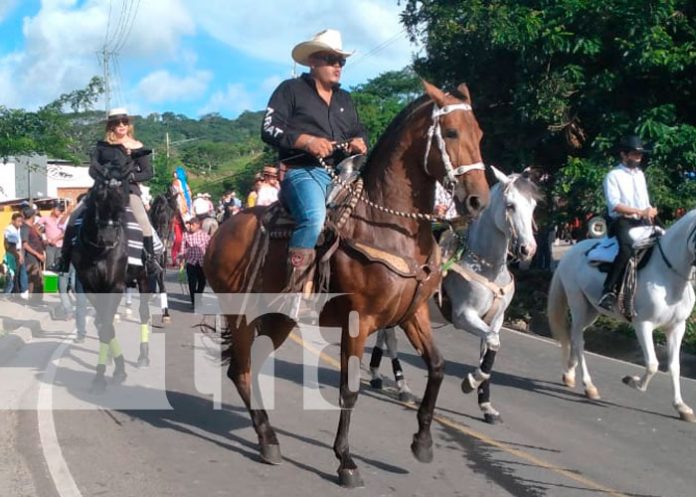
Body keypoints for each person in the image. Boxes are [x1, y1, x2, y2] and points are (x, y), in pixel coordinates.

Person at [261, 28, 368, 291]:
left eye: (341, 61)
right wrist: (306, 141)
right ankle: (296, 287)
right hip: (302, 172)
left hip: (345, 174)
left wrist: (360, 142)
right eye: (331, 59)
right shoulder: (290, 90)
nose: (338, 66)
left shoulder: (345, 99)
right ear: (313, 61)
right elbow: (269, 127)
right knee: (314, 218)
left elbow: (359, 131)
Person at [59, 108, 160, 275]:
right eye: (117, 123)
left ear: (129, 125)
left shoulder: (138, 146)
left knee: (144, 222)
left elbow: (148, 172)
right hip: (102, 188)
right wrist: (103, 176)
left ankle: (150, 260)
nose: (121, 125)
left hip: (128, 191)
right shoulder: (102, 146)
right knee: (74, 216)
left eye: (124, 122)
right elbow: (92, 169)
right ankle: (64, 258)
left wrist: (130, 176)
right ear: (111, 126)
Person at [597, 135, 657, 311]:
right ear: (623, 155)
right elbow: (615, 205)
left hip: (643, 220)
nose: (638, 158)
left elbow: (644, 201)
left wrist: (650, 211)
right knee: (627, 250)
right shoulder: (613, 176)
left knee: (664, 243)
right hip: (622, 221)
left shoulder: (640, 175)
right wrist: (640, 211)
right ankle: (608, 291)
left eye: (640, 155)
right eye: (634, 154)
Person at [178, 217, 211, 309]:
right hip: (191, 262)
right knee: (192, 283)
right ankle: (194, 301)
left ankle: (198, 297)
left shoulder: (204, 235)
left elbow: (210, 246)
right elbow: (182, 248)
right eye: (189, 225)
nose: (190, 227)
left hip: (202, 263)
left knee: (202, 282)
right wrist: (181, 259)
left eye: (192, 225)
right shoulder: (185, 235)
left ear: (198, 225)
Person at [20, 206, 45, 302]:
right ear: (32, 215)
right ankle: (35, 301)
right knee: (35, 280)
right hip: (31, 258)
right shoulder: (25, 228)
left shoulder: (32, 227)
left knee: (36, 280)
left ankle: (35, 301)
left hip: (37, 258)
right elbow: (25, 245)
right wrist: (38, 255)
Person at [37, 200, 67, 270]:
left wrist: (56, 239)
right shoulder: (45, 218)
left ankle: (58, 281)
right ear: (53, 209)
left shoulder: (62, 219)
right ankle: (50, 281)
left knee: (59, 266)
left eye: (61, 210)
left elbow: (65, 232)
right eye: (58, 210)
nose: (60, 212)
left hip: (60, 246)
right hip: (50, 246)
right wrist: (44, 238)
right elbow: (35, 228)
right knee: (49, 266)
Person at [171, 166, 193, 264]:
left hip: (179, 214)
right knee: (183, 238)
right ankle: (179, 259)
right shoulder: (186, 185)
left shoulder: (176, 182)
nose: (174, 175)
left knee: (179, 239)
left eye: (175, 173)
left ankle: (176, 259)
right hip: (186, 213)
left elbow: (175, 196)